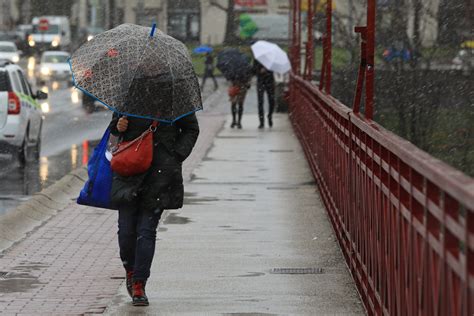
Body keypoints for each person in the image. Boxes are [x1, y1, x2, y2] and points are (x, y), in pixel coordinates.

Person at [109, 113, 199, 306]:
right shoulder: (129, 92)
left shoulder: (175, 95)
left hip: (160, 173)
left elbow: (191, 129)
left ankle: (139, 283)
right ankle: (131, 270)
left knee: (146, 231)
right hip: (129, 171)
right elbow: (113, 129)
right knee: (126, 232)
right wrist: (119, 126)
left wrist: (176, 154)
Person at [253, 59, 275, 128]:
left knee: (271, 101)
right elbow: (253, 70)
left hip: (270, 81)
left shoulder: (271, 59)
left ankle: (270, 115)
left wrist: (268, 69)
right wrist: (259, 71)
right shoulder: (257, 58)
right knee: (260, 102)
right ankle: (261, 121)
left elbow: (274, 69)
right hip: (261, 81)